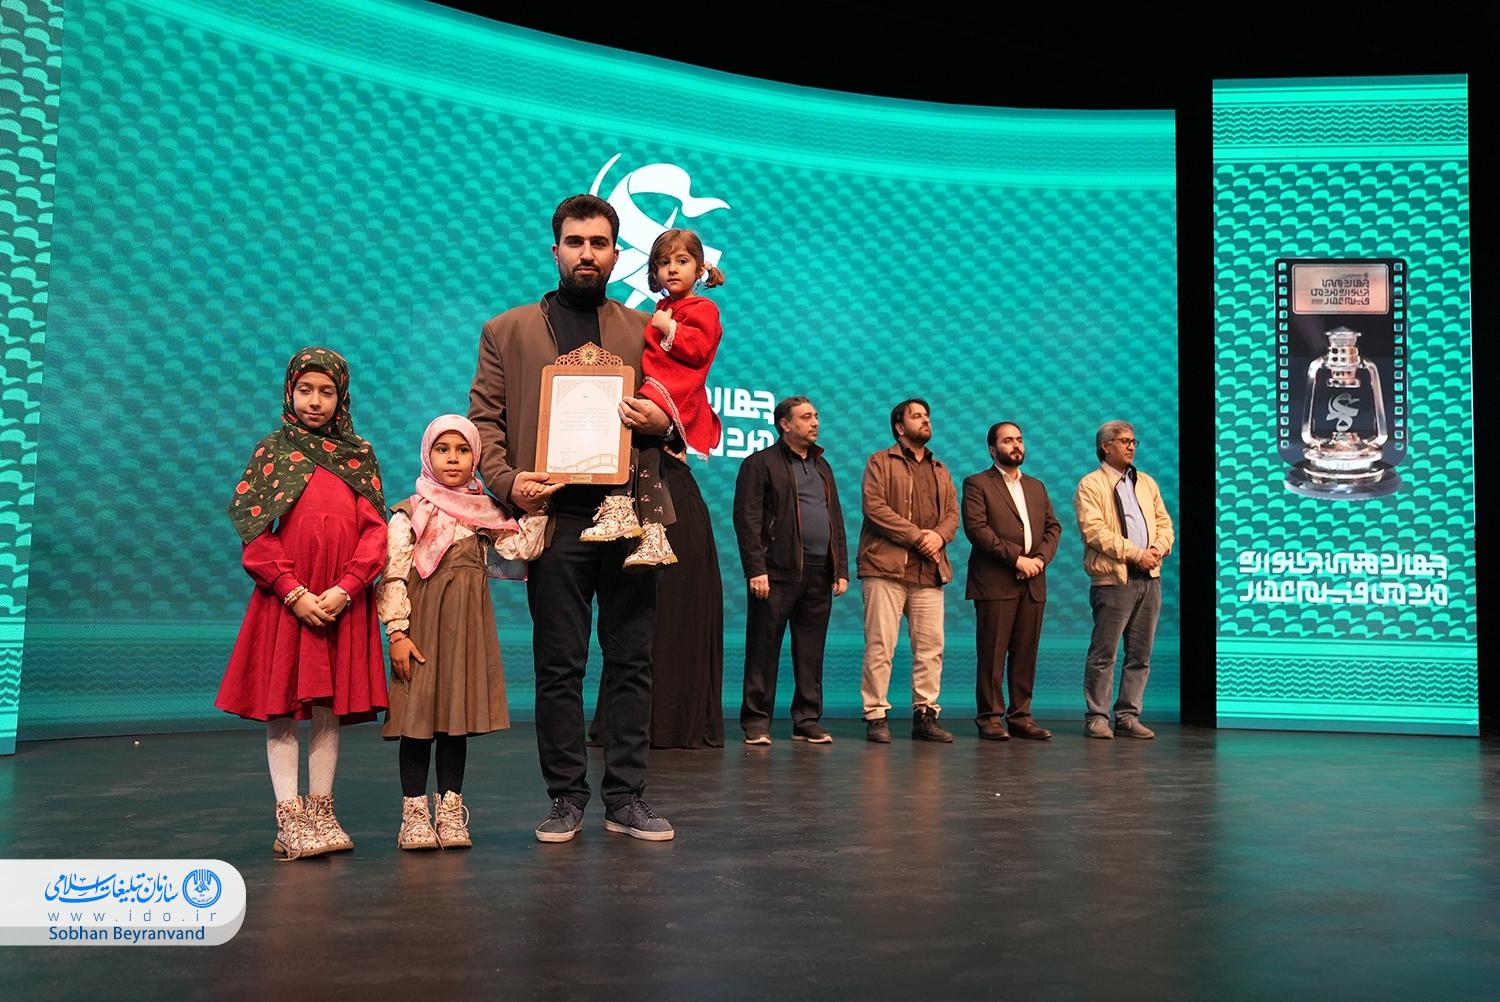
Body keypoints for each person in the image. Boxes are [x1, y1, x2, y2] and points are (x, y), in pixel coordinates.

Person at [468, 193, 677, 842]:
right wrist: (510, 483)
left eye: (600, 243)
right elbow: (484, 424)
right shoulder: (507, 331)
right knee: (559, 665)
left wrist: (664, 420)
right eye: (576, 242)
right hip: (554, 517)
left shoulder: (645, 330)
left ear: (617, 254)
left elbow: (683, 408)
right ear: (555, 249)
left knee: (632, 661)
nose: (588, 253)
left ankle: (627, 797)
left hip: (629, 515)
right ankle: (566, 796)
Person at [217, 346, 388, 859]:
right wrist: (292, 591)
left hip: (338, 603)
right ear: (289, 392)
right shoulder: (273, 451)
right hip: (289, 602)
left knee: (329, 705)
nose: (315, 401)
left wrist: (347, 587)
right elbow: (254, 532)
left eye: (326, 392)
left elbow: (375, 532)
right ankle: (289, 816)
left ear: (342, 397)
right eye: (305, 390)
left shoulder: (357, 455)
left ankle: (321, 809)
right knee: (284, 705)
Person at [377, 415, 519, 850]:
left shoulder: (485, 514)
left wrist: (539, 507)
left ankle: (451, 810)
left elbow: (520, 546)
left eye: (462, 450)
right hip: (421, 631)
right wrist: (397, 634)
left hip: (465, 633)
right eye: (443, 449)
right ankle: (414, 814)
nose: (452, 459)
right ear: (428, 454)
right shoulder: (409, 513)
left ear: (475, 457)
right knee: (417, 721)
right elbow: (393, 575)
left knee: (454, 722)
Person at [580, 228, 725, 572]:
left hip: (674, 389)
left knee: (632, 438)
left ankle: (621, 506)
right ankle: (651, 531)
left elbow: (700, 348)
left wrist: (669, 327)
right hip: (657, 386)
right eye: (663, 262)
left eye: (682, 261)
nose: (672, 269)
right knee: (644, 453)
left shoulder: (702, 307)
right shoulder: (665, 307)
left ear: (699, 268)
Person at [732, 396, 850, 745]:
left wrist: (840, 569)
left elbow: (835, 519)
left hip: (818, 572)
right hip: (775, 573)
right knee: (763, 648)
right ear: (785, 424)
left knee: (811, 651)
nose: (815, 423)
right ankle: (756, 721)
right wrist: (756, 569)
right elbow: (747, 520)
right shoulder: (760, 463)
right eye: (806, 417)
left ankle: (807, 719)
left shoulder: (822, 467)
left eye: (816, 416)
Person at [857, 398, 960, 744]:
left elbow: (952, 514)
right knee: (880, 646)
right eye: (917, 416)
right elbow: (875, 508)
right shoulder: (880, 461)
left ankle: (925, 716)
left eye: (927, 415)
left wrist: (938, 537)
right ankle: (876, 715)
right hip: (884, 568)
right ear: (899, 427)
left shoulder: (941, 469)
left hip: (929, 570)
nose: (925, 420)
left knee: (931, 648)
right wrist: (918, 537)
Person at [1074, 420, 1175, 740]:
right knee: (1104, 653)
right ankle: (1097, 717)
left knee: (1140, 655)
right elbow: (1094, 532)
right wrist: (1135, 554)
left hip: (1149, 579)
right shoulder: (1091, 484)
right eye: (1124, 441)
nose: (1131, 446)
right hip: (1113, 580)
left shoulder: (1146, 483)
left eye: (1134, 441)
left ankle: (1128, 716)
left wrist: (1157, 549)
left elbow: (1164, 524)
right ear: (1105, 447)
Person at [962, 421, 1061, 741]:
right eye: (1007, 441)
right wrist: (1017, 559)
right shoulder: (977, 484)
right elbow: (977, 530)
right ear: (993, 449)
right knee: (992, 654)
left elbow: (1053, 527)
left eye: (1019, 439)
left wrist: (1039, 561)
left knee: (1025, 654)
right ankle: (990, 718)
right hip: (995, 582)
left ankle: (1020, 717)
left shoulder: (1036, 486)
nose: (1016, 445)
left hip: (1033, 583)